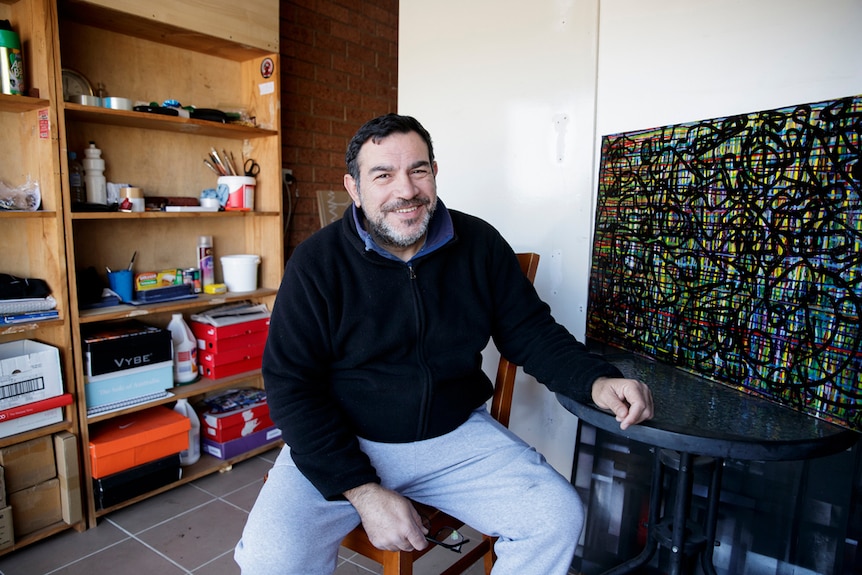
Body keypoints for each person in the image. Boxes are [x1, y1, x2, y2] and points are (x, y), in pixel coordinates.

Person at [235, 113, 654, 575]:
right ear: (353, 189)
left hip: (451, 437)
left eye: (418, 169)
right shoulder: (316, 263)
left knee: (555, 516)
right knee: (268, 560)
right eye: (383, 175)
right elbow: (291, 385)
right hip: (341, 438)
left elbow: (532, 333)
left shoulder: (478, 243)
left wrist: (596, 380)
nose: (406, 190)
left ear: (434, 172)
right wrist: (362, 490)